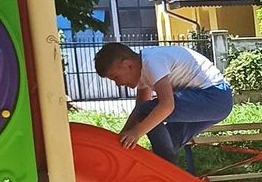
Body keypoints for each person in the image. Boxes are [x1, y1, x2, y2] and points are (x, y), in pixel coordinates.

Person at [94, 42, 235, 166]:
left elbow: (167, 105)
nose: (118, 84)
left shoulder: (152, 62)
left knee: (148, 113)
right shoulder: (143, 69)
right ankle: (167, 172)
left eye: (116, 77)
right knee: (169, 141)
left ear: (128, 65)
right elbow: (140, 108)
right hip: (216, 103)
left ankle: (166, 168)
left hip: (214, 97)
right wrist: (121, 138)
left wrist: (137, 132)